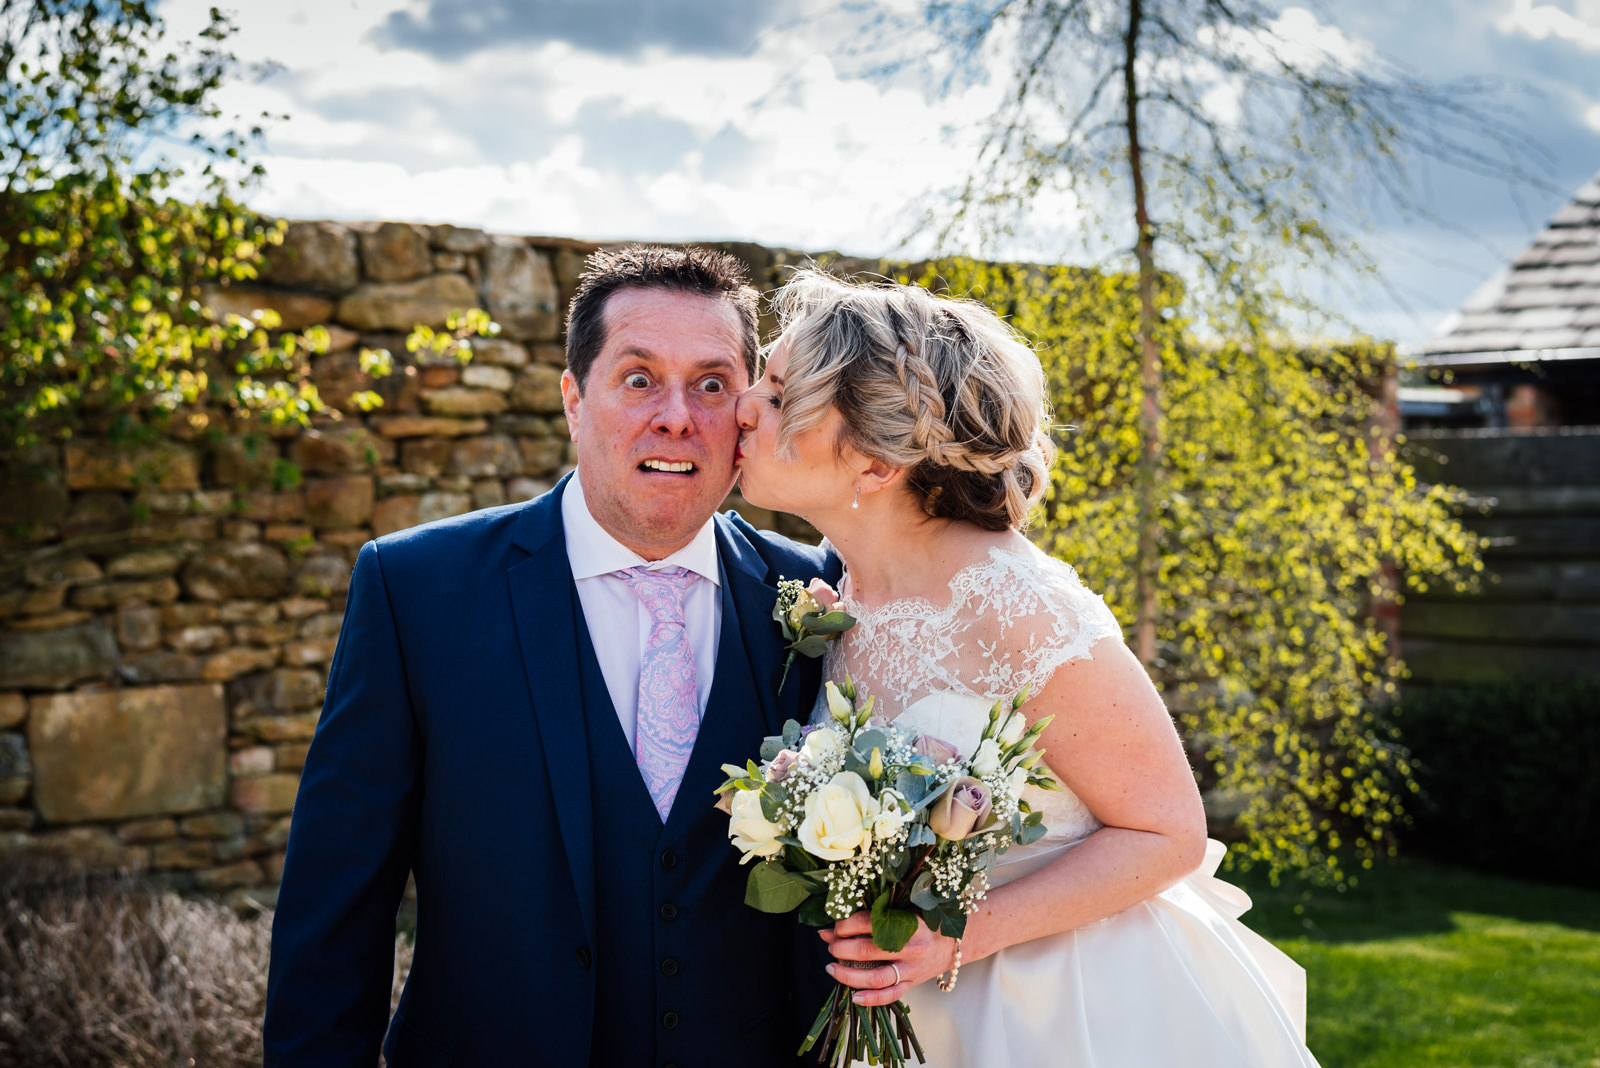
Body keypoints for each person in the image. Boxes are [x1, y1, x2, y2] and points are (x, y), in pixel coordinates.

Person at [264, 246, 839, 1067]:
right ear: (574, 399)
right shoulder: (417, 590)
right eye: (638, 378)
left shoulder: (820, 596)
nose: (677, 416)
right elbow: (335, 907)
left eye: (712, 384)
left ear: (748, 412)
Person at [732, 270, 1320, 1067]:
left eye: (776, 394)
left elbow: (1167, 831)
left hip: (1073, 1006)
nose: (742, 407)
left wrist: (952, 936)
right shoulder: (841, 592)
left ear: (874, 464)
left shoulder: (1014, 601)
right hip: (912, 1012)